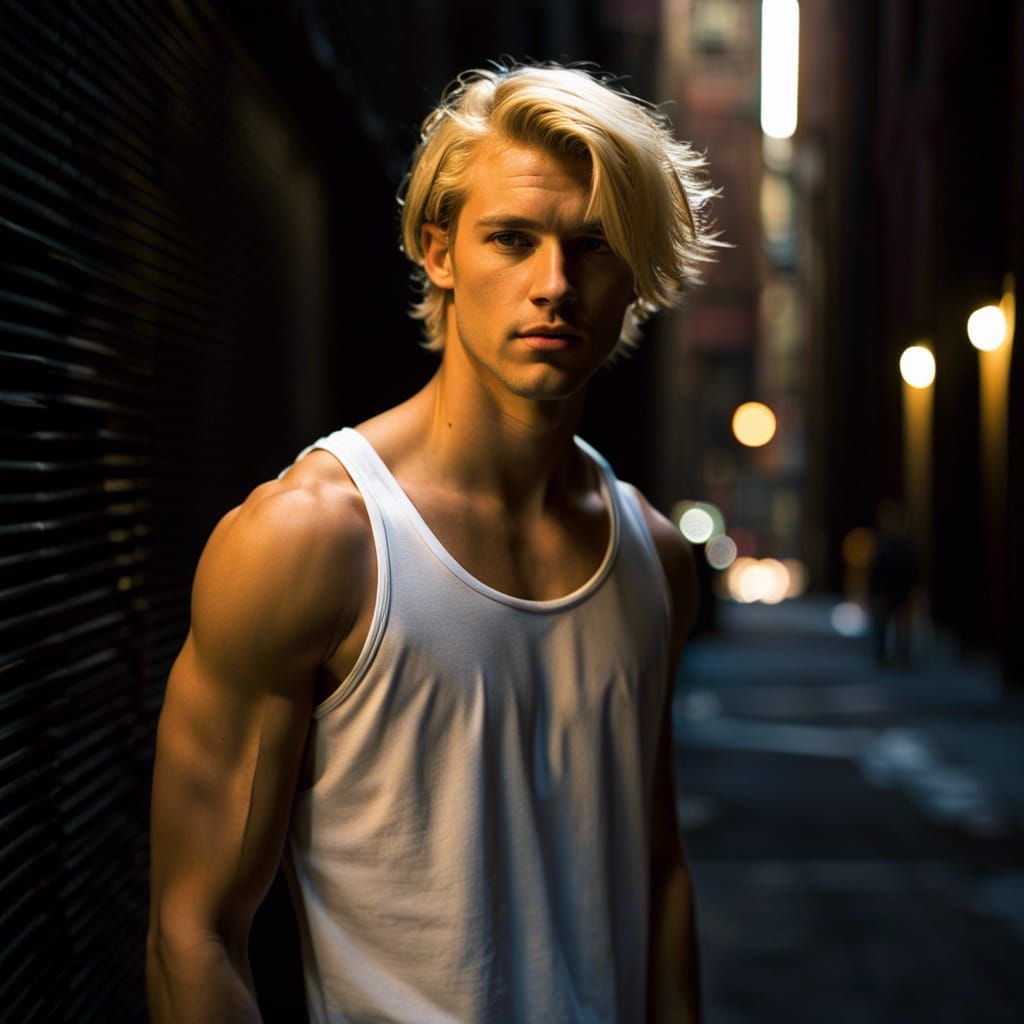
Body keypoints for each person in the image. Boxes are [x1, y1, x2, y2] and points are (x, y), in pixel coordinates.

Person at [147, 61, 717, 1023]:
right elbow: (193, 934)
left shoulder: (653, 559)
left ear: (637, 277)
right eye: (512, 239)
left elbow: (656, 876)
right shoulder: (312, 540)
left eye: (594, 246)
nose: (554, 285)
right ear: (437, 249)